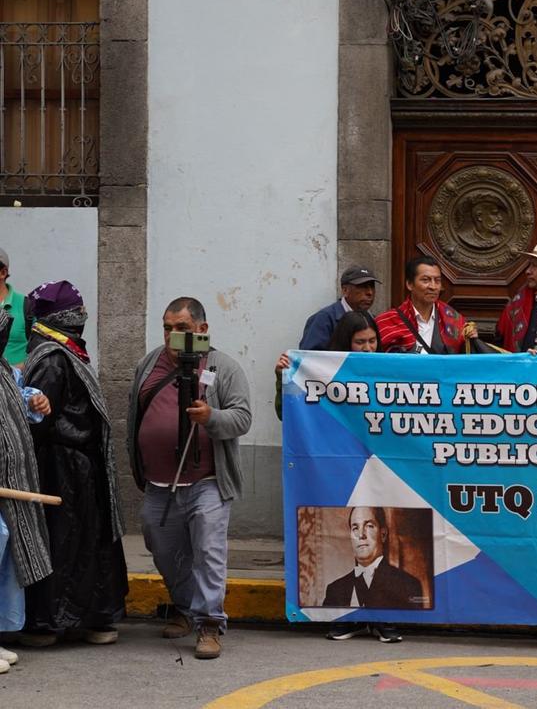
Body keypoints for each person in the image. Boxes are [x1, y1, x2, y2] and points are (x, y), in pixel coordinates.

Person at [127, 297, 252, 660]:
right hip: (159, 484)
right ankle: (185, 606)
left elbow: (242, 418)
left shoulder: (224, 367)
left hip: (207, 482)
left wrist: (211, 417)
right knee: (162, 549)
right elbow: (135, 416)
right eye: (167, 327)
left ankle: (209, 625)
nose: (172, 335)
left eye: (181, 328)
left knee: (209, 552)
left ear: (202, 329)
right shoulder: (149, 364)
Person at [19, 280, 127, 647]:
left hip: (70, 468)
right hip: (62, 467)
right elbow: (36, 418)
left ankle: (59, 622)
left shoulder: (54, 354)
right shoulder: (55, 357)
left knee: (71, 542)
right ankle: (70, 621)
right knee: (69, 543)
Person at [0, 307, 52, 673]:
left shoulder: (3, 369)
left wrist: (36, 401)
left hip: (8, 483)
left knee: (6, 551)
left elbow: (18, 393)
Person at [320, 507, 423, 643]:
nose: (361, 535)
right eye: (355, 528)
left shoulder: (408, 584)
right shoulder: (334, 589)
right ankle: (351, 623)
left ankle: (384, 622)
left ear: (383, 534)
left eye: (369, 526)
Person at [274, 311, 379, 420]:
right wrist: (282, 377)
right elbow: (287, 413)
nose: (367, 348)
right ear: (346, 341)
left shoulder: (385, 371)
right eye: (360, 342)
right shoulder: (322, 371)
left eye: (372, 341)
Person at [374, 256, 478, 354]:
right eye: (425, 280)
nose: (433, 287)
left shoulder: (453, 319)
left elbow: (463, 358)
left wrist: (470, 340)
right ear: (409, 284)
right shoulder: (388, 321)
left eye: (437, 281)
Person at [298, 266, 381, 351]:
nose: (369, 292)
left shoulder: (372, 319)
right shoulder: (324, 319)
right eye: (362, 286)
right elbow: (310, 358)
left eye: (372, 286)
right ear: (345, 290)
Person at [0, 249, 30, 369]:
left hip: (17, 385)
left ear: (3, 273)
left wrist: (14, 372)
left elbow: (40, 352)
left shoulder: (26, 306)